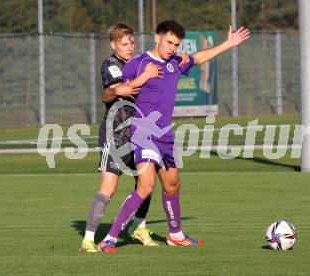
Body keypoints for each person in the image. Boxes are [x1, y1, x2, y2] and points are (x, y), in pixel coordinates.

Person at [98, 20, 250, 252]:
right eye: (169, 42)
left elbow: (198, 58)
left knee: (172, 186)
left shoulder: (175, 61)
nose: (172, 48)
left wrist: (228, 43)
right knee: (146, 186)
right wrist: (124, 89)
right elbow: (111, 92)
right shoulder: (136, 64)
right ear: (157, 38)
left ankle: (175, 235)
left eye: (176, 44)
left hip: (165, 135)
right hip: (143, 132)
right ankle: (110, 238)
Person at [80, 23, 164, 253]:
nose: (129, 47)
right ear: (113, 44)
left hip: (139, 133)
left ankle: (138, 226)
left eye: (131, 43)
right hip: (115, 134)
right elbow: (120, 90)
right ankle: (88, 240)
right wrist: (143, 77)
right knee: (109, 186)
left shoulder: (137, 64)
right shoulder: (111, 65)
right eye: (124, 44)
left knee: (146, 183)